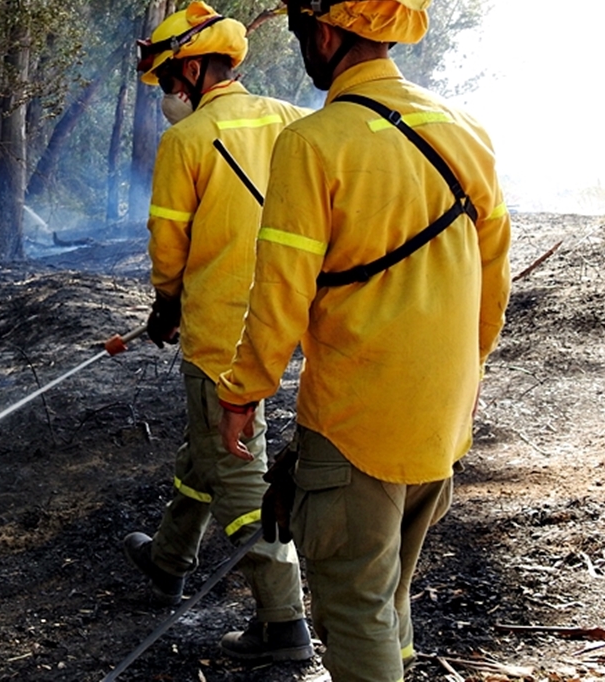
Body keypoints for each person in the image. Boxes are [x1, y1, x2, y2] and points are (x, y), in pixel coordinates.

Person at [216, 1, 511, 680]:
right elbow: (492, 290)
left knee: (353, 610)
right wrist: (462, 380)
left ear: (324, 31)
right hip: (440, 424)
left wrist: (244, 391)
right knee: (389, 596)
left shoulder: (316, 142)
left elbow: (280, 293)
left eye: (299, 34)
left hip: (356, 426)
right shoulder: (468, 132)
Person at [121, 1, 313, 663]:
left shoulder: (187, 141)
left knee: (239, 478)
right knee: (206, 449)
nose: (169, 94)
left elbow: (167, 245)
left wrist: (165, 307)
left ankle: (284, 624)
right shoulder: (291, 120)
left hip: (219, 336)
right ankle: (170, 560)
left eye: (173, 79)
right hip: (283, 325)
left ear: (199, 68)